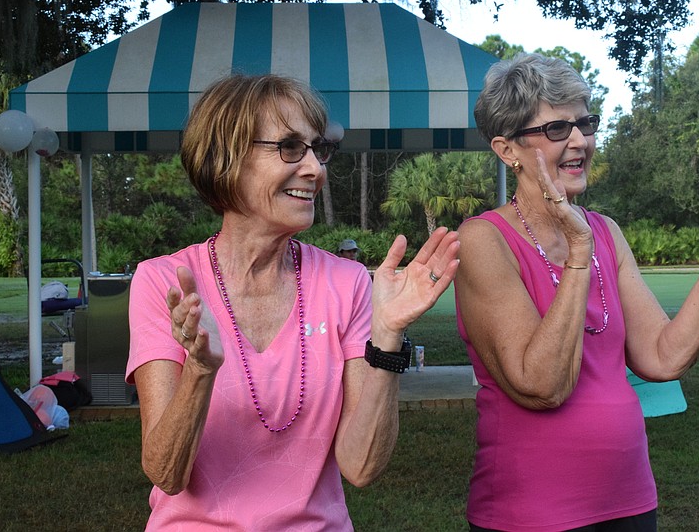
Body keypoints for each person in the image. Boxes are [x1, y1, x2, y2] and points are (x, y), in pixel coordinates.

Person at [454, 53, 699, 532]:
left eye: (585, 124)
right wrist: (576, 251)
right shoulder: (483, 240)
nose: (579, 141)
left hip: (629, 504)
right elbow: (542, 386)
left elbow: (662, 358)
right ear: (507, 150)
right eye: (556, 130)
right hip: (529, 514)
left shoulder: (605, 232)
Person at [125, 73, 459, 530]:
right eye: (288, 148)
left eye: (317, 150)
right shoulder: (163, 282)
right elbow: (166, 473)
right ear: (227, 158)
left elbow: (361, 468)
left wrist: (387, 336)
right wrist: (199, 371)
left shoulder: (346, 282)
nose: (315, 169)